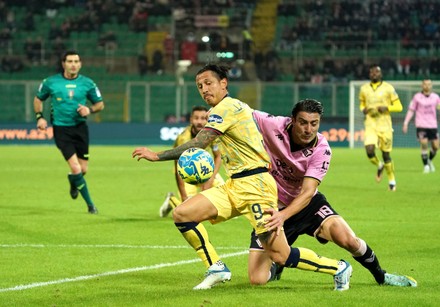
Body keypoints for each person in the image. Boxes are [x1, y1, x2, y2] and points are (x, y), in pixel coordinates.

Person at [133, 64, 353, 291]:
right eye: (200, 86)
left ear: (223, 84)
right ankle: (216, 267)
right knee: (182, 214)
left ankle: (338, 268)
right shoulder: (229, 109)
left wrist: (156, 155)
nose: (204, 89)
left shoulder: (226, 107)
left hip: (257, 186)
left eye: (209, 83)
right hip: (235, 184)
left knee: (280, 255)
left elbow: (200, 143)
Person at [248, 99, 417, 287]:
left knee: (348, 239)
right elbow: (241, 111)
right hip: (272, 206)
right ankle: (278, 265)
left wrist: (283, 216)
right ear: (292, 120)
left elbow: (307, 192)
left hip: (307, 205)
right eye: (303, 122)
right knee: (257, 279)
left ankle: (382, 276)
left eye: (314, 123)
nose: (308, 129)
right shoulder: (273, 124)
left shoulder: (321, 149)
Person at [33, 50, 104, 214]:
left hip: (80, 129)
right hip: (61, 129)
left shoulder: (88, 83)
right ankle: (90, 205)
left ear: (80, 64)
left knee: (83, 169)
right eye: (70, 61)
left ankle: (74, 182)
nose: (73, 64)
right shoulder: (50, 82)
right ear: (63, 64)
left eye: (76, 61)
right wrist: (39, 118)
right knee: (76, 167)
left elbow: (100, 104)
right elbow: (38, 99)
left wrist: (89, 110)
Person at [159, 105, 225, 218]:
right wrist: (184, 195)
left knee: (224, 200)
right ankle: (172, 199)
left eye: (203, 118)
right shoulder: (183, 139)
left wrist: (210, 180)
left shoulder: (211, 134)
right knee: (190, 211)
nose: (199, 122)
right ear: (191, 120)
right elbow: (178, 168)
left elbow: (218, 157)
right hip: (187, 173)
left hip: (205, 169)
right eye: (196, 118)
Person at [359, 65, 403, 191]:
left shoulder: (388, 88)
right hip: (370, 123)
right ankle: (379, 165)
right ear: (369, 74)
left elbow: (399, 106)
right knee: (369, 150)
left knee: (386, 154)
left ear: (381, 74)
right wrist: (363, 109)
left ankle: (392, 180)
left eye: (377, 72)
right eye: (372, 72)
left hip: (385, 124)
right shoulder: (364, 89)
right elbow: (362, 103)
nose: (374, 74)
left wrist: (387, 108)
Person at [402, 79, 440, 173]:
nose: (427, 86)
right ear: (422, 86)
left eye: (429, 84)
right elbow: (411, 110)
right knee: (424, 143)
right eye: (425, 84)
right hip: (421, 124)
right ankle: (426, 166)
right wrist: (406, 123)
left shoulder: (435, 97)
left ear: (431, 86)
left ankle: (429, 161)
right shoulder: (416, 97)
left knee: (436, 146)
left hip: (433, 125)